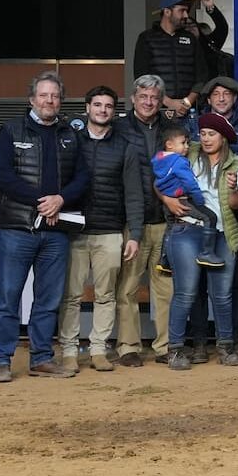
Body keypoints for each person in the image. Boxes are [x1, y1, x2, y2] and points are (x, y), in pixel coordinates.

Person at [0, 72, 90, 382]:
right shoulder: (10, 130)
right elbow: (3, 176)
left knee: (48, 299)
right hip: (17, 229)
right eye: (43, 95)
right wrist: (41, 202)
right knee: (8, 296)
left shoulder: (71, 135)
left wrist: (60, 199)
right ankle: (1, 360)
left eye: (55, 96)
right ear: (32, 99)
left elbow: (83, 179)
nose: (49, 101)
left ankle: (42, 358)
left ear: (61, 100)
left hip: (56, 232)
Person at [57, 86, 144, 374]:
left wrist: (135, 234)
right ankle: (69, 350)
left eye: (108, 106)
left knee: (106, 295)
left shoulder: (125, 147)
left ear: (114, 111)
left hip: (110, 231)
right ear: (87, 107)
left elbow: (133, 193)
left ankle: (98, 349)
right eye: (97, 105)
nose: (102, 110)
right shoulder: (69, 142)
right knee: (71, 295)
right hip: (73, 230)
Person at [162, 113, 238, 370]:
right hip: (187, 230)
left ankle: (225, 346)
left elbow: (237, 204)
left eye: (212, 134)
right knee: (185, 294)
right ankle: (175, 350)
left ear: (223, 138)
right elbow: (159, 177)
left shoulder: (236, 164)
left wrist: (233, 189)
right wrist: (167, 200)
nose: (206, 139)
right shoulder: (185, 154)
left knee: (222, 295)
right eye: (204, 134)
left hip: (222, 232)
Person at [114, 75, 173, 367]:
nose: (149, 102)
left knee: (165, 287)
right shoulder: (119, 128)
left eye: (154, 97)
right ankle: (128, 347)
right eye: (143, 97)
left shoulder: (171, 128)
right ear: (133, 98)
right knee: (127, 287)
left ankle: (164, 346)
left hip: (166, 219)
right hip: (131, 221)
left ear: (161, 100)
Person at [151, 123, 225, 269]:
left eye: (187, 143)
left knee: (170, 228)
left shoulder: (159, 159)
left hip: (167, 203)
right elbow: (190, 183)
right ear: (169, 145)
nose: (186, 147)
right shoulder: (179, 161)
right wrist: (199, 200)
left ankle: (164, 260)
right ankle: (207, 252)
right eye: (183, 143)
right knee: (210, 217)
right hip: (183, 200)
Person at [132, 0, 210, 116]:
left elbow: (202, 75)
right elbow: (141, 76)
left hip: (189, 110)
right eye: (181, 11)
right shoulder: (146, 38)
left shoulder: (191, 38)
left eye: (186, 11)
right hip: (155, 109)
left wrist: (187, 102)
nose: (185, 15)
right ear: (167, 12)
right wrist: (168, 102)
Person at [186, 76, 238, 156]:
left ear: (234, 98)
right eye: (216, 94)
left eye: (226, 93)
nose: (221, 99)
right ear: (209, 100)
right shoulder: (193, 124)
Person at [183, 0, 233, 79]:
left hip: (210, 87)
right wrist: (187, 3)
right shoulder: (176, 46)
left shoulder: (208, 45)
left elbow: (222, 27)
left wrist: (210, 7)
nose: (190, 28)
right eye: (186, 26)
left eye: (192, 25)